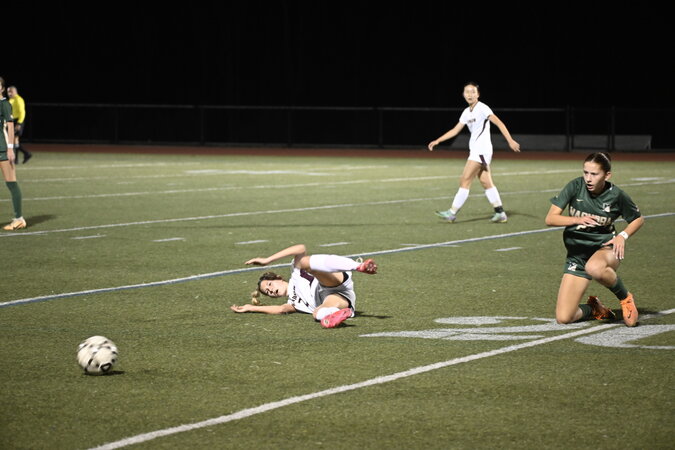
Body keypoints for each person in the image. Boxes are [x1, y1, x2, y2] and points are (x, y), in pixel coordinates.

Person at [545, 152, 643, 327]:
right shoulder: (575, 186)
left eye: (594, 174)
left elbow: (638, 219)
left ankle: (626, 298)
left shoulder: (616, 195)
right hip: (577, 256)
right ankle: (594, 309)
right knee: (564, 317)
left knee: (594, 267)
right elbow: (550, 219)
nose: (588, 178)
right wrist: (577, 219)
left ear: (607, 175)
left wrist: (622, 236)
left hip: (605, 249)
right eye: (586, 173)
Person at [427, 82, 520, 223]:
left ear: (478, 94)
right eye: (467, 92)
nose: (469, 94)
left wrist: (510, 140)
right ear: (463, 94)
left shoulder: (482, 108)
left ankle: (452, 213)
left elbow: (499, 123)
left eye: (473, 92)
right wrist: (438, 140)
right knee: (486, 182)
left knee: (465, 180)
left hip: (481, 150)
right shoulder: (466, 112)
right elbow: (455, 130)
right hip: (477, 150)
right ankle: (500, 213)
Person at [230, 244, 377, 328]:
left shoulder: (295, 272)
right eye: (267, 292)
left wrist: (268, 260)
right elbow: (281, 309)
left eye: (269, 284)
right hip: (336, 297)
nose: (271, 290)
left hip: (332, 279)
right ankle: (335, 313)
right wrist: (251, 307)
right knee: (317, 314)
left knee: (305, 263)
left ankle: (358, 266)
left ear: (279, 278)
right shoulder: (293, 303)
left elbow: (300, 248)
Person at [0, 77, 26, 230]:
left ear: (2, 88)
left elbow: (10, 127)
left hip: (2, 149)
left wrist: (10, 148)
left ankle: (19, 219)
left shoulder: (4, 104)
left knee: (11, 183)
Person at [7, 85, 31, 164]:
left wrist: (19, 123)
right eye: (8, 92)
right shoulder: (11, 100)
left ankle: (21, 156)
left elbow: (22, 112)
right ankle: (24, 155)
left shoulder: (19, 99)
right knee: (14, 140)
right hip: (13, 121)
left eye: (11, 92)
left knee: (14, 140)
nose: (9, 93)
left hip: (18, 121)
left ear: (15, 92)